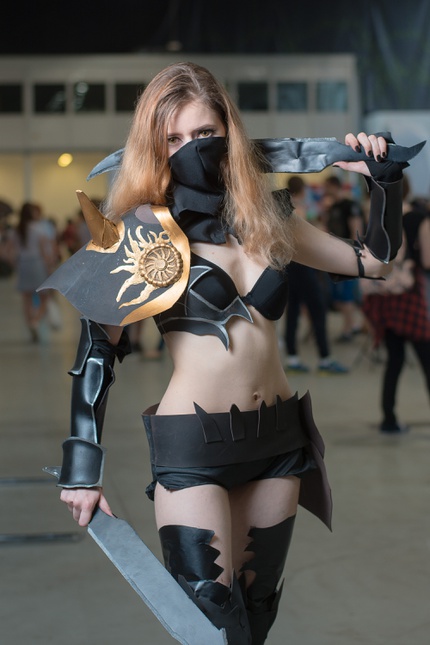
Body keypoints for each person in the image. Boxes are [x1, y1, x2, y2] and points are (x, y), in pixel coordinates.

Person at [39, 62, 409, 643]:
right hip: (193, 446)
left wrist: (382, 182)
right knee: (209, 627)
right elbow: (96, 351)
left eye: (205, 133)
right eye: (173, 138)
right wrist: (82, 469)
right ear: (153, 146)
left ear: (228, 131)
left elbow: (374, 262)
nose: (191, 148)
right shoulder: (140, 233)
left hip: (278, 440)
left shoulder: (268, 216)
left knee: (255, 621)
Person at [361, 175, 430, 434]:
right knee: (426, 358)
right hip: (409, 294)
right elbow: (427, 260)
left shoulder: (375, 217)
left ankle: (388, 419)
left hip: (382, 295)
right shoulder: (418, 218)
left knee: (394, 360)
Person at [284, 176, 349, 374]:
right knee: (318, 309)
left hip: (288, 266)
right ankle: (325, 359)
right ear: (302, 189)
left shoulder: (283, 209)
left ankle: (292, 358)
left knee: (292, 312)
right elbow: (309, 236)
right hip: (303, 266)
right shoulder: (300, 209)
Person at [319, 174, 365, 341]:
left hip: (347, 256)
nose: (324, 190)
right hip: (334, 257)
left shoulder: (349, 205)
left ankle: (349, 329)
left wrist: (353, 254)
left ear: (334, 186)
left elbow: (356, 230)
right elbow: (325, 229)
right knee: (338, 298)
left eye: (326, 187)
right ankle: (353, 325)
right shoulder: (331, 207)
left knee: (347, 296)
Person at [12, 202, 54, 341]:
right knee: (44, 297)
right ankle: (35, 321)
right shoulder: (38, 228)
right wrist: (49, 267)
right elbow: (44, 251)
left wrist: (15, 263)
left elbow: (10, 249)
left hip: (23, 264)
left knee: (27, 300)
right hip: (37, 264)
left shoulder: (16, 230)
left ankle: (30, 324)